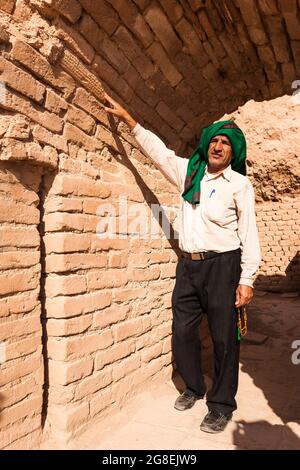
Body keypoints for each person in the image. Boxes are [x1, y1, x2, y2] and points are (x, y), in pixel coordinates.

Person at [103, 92, 261, 433]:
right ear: (207, 145)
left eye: (225, 143)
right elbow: (159, 152)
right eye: (214, 141)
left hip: (223, 266)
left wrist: (247, 279)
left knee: (224, 338)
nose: (218, 146)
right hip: (188, 267)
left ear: (233, 151)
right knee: (183, 331)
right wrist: (130, 121)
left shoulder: (239, 184)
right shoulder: (190, 172)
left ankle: (220, 404)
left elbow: (249, 233)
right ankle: (193, 386)